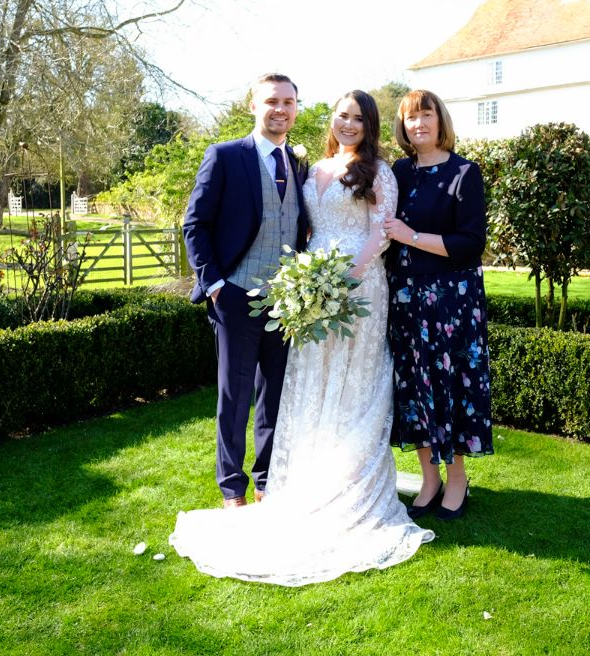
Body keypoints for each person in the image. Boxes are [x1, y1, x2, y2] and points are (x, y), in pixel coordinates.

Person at [170, 90, 433, 585]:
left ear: (370, 124)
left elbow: (382, 232)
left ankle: (344, 480)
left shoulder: (379, 170)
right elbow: (295, 230)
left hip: (357, 289)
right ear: (330, 119)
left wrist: (345, 279)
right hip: (307, 292)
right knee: (299, 385)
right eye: (343, 115)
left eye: (359, 117)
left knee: (348, 384)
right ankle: (261, 484)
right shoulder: (310, 166)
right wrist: (301, 283)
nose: (349, 123)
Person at [182, 73, 310, 508]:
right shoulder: (224, 156)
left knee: (274, 396)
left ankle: (267, 482)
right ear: (252, 106)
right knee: (234, 398)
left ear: (296, 108)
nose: (280, 109)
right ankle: (231, 488)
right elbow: (195, 224)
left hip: (287, 302)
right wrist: (214, 284)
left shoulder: (297, 163)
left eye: (289, 102)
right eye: (271, 101)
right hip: (235, 294)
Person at [382, 89, 494, 521]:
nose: (419, 124)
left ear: (439, 119)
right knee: (415, 387)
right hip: (406, 298)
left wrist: (410, 236)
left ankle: (458, 478)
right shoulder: (399, 172)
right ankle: (429, 478)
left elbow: (471, 244)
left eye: (426, 115)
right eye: (411, 118)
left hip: (451, 301)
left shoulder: (464, 172)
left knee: (450, 386)